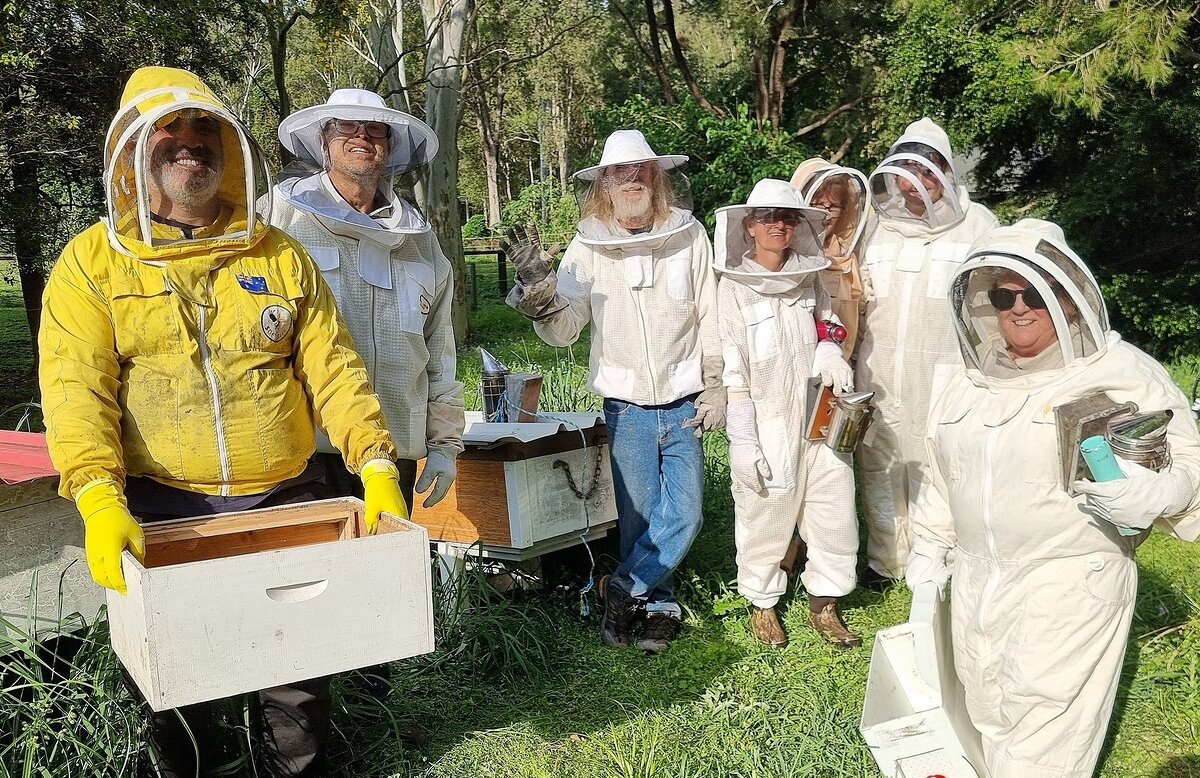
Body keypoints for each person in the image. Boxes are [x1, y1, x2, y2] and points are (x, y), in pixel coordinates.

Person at [38, 66, 408, 778]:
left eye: (204, 128)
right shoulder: (90, 264)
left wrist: (377, 464)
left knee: (296, 678)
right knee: (175, 686)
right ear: (134, 150)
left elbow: (334, 368)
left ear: (229, 148)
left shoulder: (278, 254)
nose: (189, 143)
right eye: (169, 130)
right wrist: (94, 494)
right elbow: (76, 390)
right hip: (164, 504)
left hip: (284, 496)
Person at [906, 219, 1200, 778]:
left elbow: (1192, 469)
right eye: (1002, 294)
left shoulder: (1122, 371)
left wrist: (1159, 492)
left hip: (1072, 580)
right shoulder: (967, 380)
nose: (1019, 308)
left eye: (1036, 293)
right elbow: (945, 470)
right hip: (978, 581)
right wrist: (930, 544)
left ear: (1070, 301)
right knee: (987, 711)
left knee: (1044, 737)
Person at [504, 129, 724, 654]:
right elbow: (565, 328)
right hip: (626, 406)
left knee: (687, 512)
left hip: (684, 400)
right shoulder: (587, 246)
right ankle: (655, 604)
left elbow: (712, 313)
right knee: (639, 516)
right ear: (604, 183)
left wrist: (717, 384)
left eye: (639, 170)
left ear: (657, 178)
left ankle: (622, 587)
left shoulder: (689, 236)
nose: (630, 179)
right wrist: (539, 292)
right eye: (619, 172)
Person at [271, 89, 464, 513]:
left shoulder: (421, 242)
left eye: (375, 128)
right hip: (306, 455)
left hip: (395, 453)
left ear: (390, 146)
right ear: (323, 141)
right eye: (346, 126)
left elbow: (439, 351)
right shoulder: (279, 219)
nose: (362, 135)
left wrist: (445, 444)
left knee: (388, 577)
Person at [714, 178, 862, 649]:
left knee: (834, 511)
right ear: (750, 227)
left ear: (798, 225)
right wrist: (743, 440)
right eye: (768, 218)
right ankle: (763, 605)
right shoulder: (733, 289)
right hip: (768, 422)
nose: (778, 225)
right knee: (765, 514)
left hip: (819, 414)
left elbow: (828, 323)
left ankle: (826, 604)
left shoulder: (810, 276)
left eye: (787, 217)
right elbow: (734, 372)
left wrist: (829, 352)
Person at [855, 117, 999, 586]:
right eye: (910, 169)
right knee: (879, 465)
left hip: (947, 373)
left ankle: (936, 560)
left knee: (940, 464)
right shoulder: (875, 228)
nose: (920, 182)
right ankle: (885, 560)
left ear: (946, 173)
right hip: (876, 372)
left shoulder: (978, 225)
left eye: (932, 168)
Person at [790, 158, 872, 359]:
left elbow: (860, 323)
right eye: (817, 204)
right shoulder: (779, 253)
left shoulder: (849, 259)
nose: (824, 214)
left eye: (833, 206)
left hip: (838, 367)